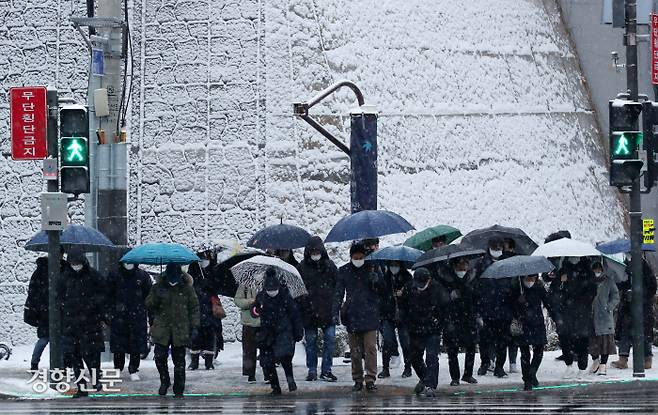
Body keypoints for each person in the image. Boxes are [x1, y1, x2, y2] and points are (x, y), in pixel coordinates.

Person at [333, 242, 384, 392]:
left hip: (369, 313)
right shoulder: (344, 271)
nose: (358, 260)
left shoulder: (373, 268)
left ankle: (370, 378)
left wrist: (377, 280)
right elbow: (338, 292)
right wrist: (335, 311)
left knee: (370, 349)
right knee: (355, 351)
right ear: (350, 257)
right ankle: (357, 378)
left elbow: (382, 290)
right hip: (352, 314)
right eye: (356, 257)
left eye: (361, 257)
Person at [146, 264, 200, 399]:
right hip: (162, 328)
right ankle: (165, 380)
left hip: (180, 329)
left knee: (179, 361)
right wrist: (157, 295)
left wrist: (195, 326)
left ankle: (179, 388)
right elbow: (148, 304)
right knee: (159, 357)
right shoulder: (158, 288)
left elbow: (194, 308)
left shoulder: (187, 289)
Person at [59, 249, 107, 398]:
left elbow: (103, 297)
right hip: (71, 324)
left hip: (90, 323)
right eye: (73, 263)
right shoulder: (64, 278)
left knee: (92, 355)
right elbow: (58, 299)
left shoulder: (94, 276)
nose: (76, 266)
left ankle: (95, 379)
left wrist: (99, 312)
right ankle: (82, 388)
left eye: (78, 263)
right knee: (76, 358)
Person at [253, 268, 304, 395]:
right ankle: (275, 386)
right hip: (266, 333)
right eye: (269, 290)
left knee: (285, 357)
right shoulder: (261, 297)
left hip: (284, 332)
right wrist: (256, 310)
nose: (272, 292)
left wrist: (298, 332)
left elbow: (295, 315)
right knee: (267, 361)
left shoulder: (285, 297)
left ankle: (290, 379)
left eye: (274, 290)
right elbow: (253, 311)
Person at [398, 268, 447, 397]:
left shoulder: (437, 289)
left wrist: (439, 323)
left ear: (429, 280)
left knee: (431, 357)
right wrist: (406, 321)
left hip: (433, 328)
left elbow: (445, 308)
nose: (421, 285)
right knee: (414, 358)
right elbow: (402, 307)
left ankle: (430, 385)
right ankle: (425, 378)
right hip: (415, 328)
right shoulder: (409, 288)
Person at [296, 236, 339, 382]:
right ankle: (312, 370)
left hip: (327, 310)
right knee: (311, 342)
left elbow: (337, 287)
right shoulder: (302, 268)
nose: (315, 253)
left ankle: (326, 370)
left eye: (317, 250)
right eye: (312, 251)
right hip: (309, 312)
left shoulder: (330, 266)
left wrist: (335, 306)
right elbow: (298, 290)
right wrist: (305, 302)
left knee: (330, 339)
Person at [436, 258, 479, 386]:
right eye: (460, 265)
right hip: (452, 318)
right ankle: (455, 377)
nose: (463, 268)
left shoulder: (472, 278)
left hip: (469, 317)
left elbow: (477, 297)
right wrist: (450, 296)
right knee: (452, 349)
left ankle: (468, 374)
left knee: (471, 347)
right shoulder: (445, 279)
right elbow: (440, 298)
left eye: (465, 264)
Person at [107, 260, 152, 381]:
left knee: (135, 344)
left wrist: (145, 308)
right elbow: (108, 294)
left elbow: (148, 295)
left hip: (137, 315)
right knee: (119, 344)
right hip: (119, 316)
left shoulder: (142, 276)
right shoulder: (114, 275)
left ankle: (134, 369)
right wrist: (112, 310)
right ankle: (118, 368)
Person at [477, 238, 514, 377]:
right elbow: (477, 285)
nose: (497, 250)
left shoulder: (508, 263)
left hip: (505, 307)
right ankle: (485, 363)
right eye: (495, 247)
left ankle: (499, 366)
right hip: (487, 307)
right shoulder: (481, 263)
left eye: (500, 247)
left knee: (502, 340)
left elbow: (513, 284)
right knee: (485, 338)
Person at [612, 255, 657, 369]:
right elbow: (621, 282)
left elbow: (652, 286)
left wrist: (640, 294)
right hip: (628, 306)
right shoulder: (625, 265)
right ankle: (623, 359)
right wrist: (626, 291)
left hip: (642, 306)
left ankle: (647, 359)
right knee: (625, 332)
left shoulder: (644, 266)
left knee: (644, 333)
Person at [557, 257, 597, 379]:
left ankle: (582, 367)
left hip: (582, 311)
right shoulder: (563, 270)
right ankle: (569, 365)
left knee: (582, 340)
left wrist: (582, 302)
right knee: (565, 339)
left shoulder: (587, 271)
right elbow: (555, 290)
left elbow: (592, 291)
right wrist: (561, 282)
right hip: (566, 312)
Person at [512, 274, 552, 391]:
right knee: (525, 354)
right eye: (528, 278)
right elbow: (510, 305)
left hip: (537, 323)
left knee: (539, 351)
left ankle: (532, 373)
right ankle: (527, 380)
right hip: (523, 324)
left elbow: (547, 302)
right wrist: (518, 302)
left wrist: (555, 315)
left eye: (533, 278)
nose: (530, 281)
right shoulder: (517, 288)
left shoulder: (539, 288)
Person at [188, 251, 224, 370]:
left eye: (207, 258)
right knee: (195, 337)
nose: (205, 260)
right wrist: (198, 285)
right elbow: (189, 284)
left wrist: (210, 284)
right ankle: (194, 362)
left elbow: (218, 285)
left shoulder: (213, 270)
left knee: (210, 336)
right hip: (196, 308)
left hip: (210, 310)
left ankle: (209, 362)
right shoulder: (194, 269)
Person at [378, 260, 412, 379]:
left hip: (404, 315)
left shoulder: (407, 278)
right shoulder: (385, 278)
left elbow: (413, 295)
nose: (394, 268)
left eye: (396, 265)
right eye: (391, 265)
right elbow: (380, 294)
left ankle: (408, 367)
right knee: (387, 340)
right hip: (388, 314)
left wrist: (404, 293)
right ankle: (385, 368)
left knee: (406, 342)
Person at [24, 256, 55, 371]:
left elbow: (32, 292)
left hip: (43, 312)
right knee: (53, 340)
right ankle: (61, 366)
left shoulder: (38, 273)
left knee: (43, 339)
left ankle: (34, 363)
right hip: (49, 311)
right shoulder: (53, 271)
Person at [588, 262, 620, 376]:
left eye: (598, 269)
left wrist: (609, 307)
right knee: (592, 340)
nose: (597, 272)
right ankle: (595, 360)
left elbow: (616, 296)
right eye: (595, 269)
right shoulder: (589, 281)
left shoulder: (608, 281)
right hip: (591, 315)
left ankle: (603, 364)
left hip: (604, 315)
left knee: (605, 340)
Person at [235, 283, 262, 383]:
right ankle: (250, 374)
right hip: (248, 322)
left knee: (267, 350)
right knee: (249, 349)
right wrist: (249, 302)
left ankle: (268, 372)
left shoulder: (268, 283)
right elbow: (237, 300)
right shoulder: (244, 285)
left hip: (264, 322)